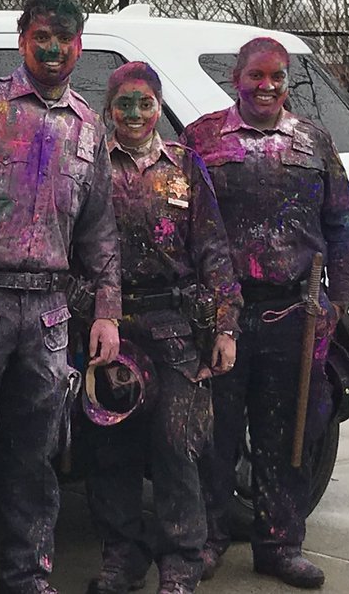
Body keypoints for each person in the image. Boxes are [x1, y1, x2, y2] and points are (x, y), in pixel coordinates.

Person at [0, 0, 122, 594]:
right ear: (21, 41)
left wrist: (108, 312)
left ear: (79, 46)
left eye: (65, 39)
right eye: (42, 37)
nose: (53, 49)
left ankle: (28, 576)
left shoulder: (88, 127)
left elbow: (100, 230)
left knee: (37, 454)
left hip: (49, 314)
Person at [183, 37, 349, 590]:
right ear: (236, 77)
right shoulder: (202, 139)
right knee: (214, 432)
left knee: (288, 433)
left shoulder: (314, 141)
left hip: (293, 313)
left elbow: (341, 224)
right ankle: (207, 540)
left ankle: (281, 544)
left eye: (277, 76)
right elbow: (179, 221)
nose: (267, 86)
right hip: (221, 317)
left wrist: (337, 300)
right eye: (256, 75)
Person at [84, 62, 242, 594]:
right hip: (108, 327)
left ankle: (180, 564)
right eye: (124, 104)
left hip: (176, 326)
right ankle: (122, 560)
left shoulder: (185, 166)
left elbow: (214, 251)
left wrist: (225, 326)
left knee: (177, 445)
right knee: (112, 448)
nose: (134, 114)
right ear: (109, 109)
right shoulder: (90, 167)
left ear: (158, 107)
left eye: (145, 103)